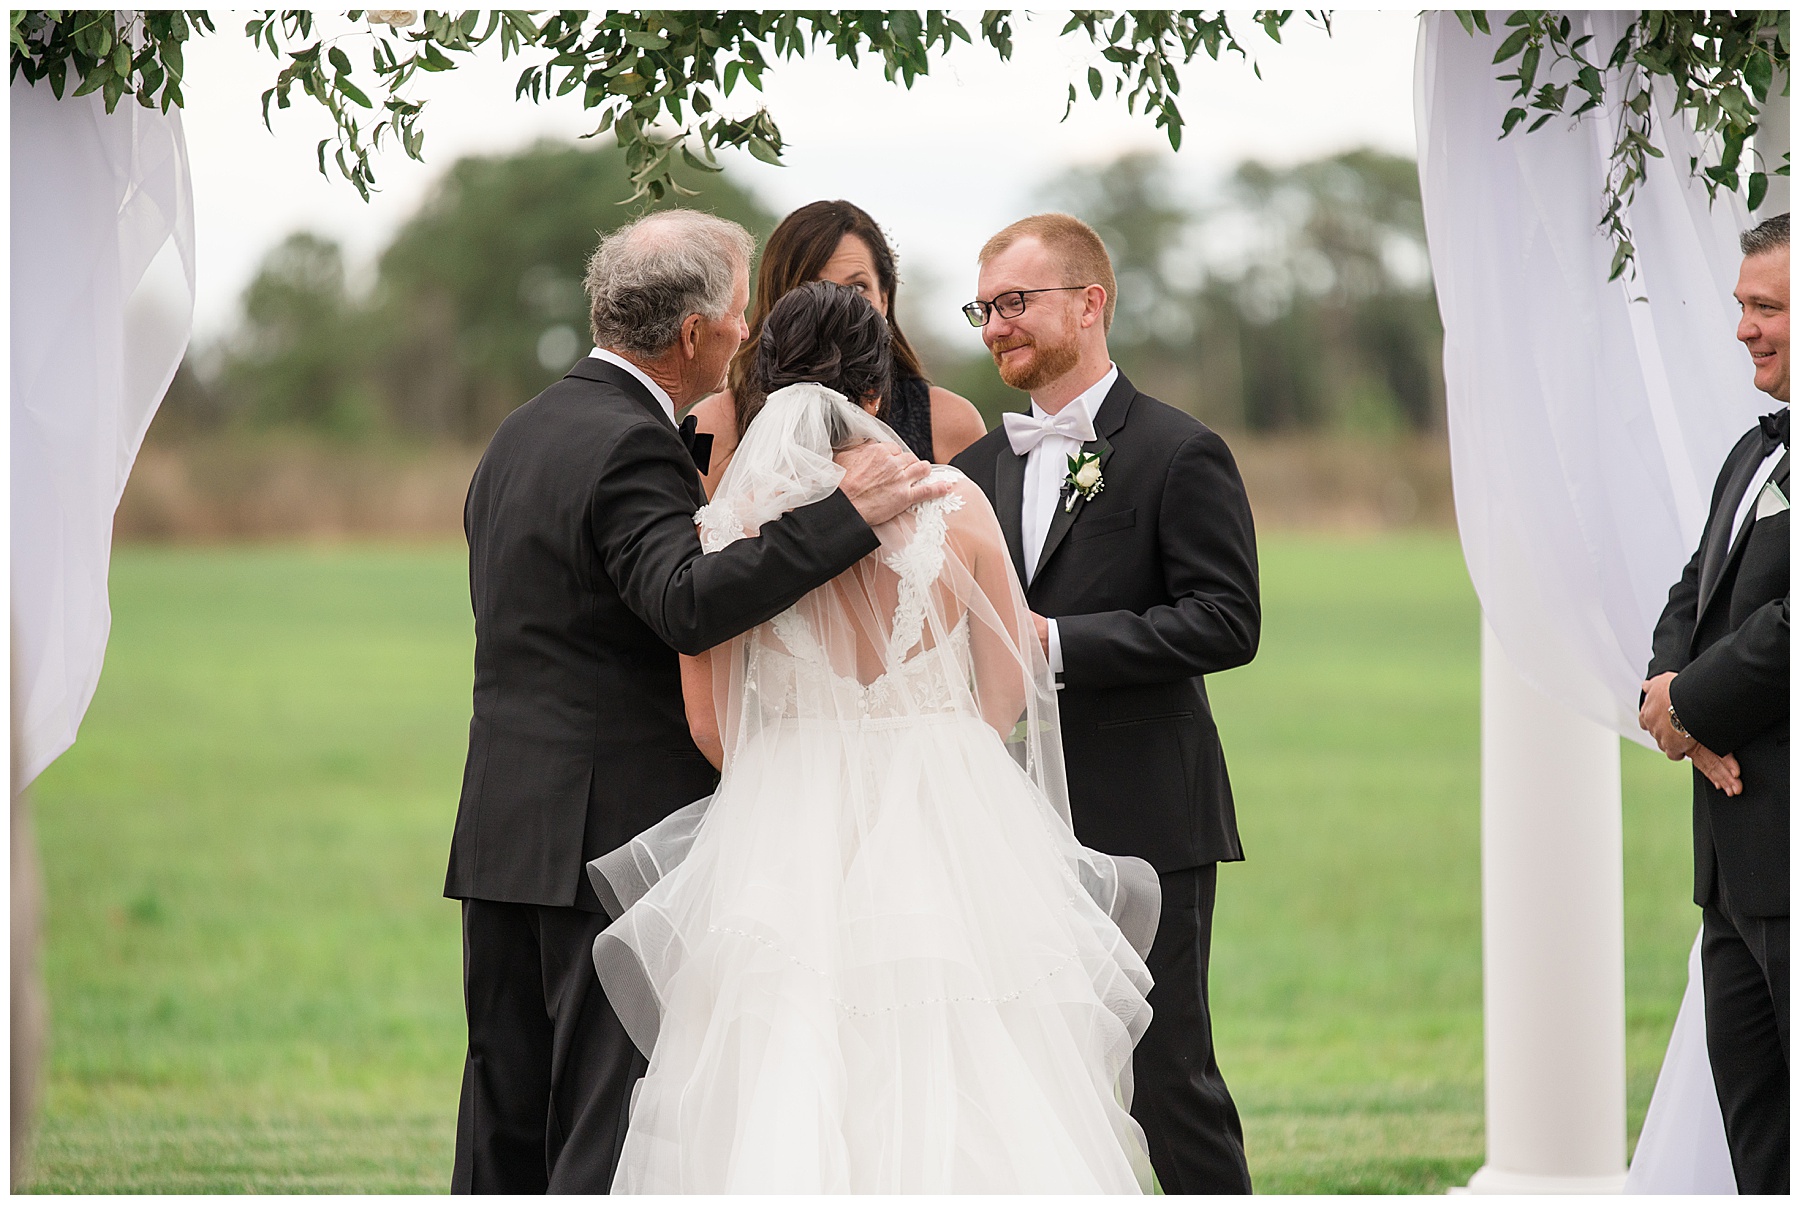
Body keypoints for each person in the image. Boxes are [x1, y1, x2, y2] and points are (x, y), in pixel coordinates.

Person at [587, 281, 1163, 1192]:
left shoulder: (724, 530)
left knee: (782, 1060)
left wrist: (798, 770)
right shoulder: (957, 505)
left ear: (765, 385)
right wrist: (928, 759)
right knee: (972, 1059)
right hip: (940, 819)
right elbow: (1008, 687)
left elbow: (710, 724)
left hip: (783, 837)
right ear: (876, 394)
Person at [443, 211, 949, 1193]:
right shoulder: (632, 443)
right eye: (739, 315)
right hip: (609, 831)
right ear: (693, 334)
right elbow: (683, 600)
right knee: (604, 1118)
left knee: (504, 1119)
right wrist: (843, 520)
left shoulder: (523, 429)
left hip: (504, 828)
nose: (746, 335)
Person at [951, 213, 1261, 1194]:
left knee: (1166, 1073)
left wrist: (1059, 642)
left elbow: (1226, 620)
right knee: (1022, 1074)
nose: (995, 325)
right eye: (984, 306)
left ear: (1090, 302)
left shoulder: (1179, 451)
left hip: (1144, 815)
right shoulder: (975, 473)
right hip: (999, 820)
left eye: (1015, 302)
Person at [1639, 210, 1789, 1195]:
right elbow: (1690, 593)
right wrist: (1672, 704)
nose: (1743, 327)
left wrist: (1694, 702)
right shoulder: (1752, 451)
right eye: (1741, 306)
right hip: (1733, 866)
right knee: (1759, 1137)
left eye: (1768, 306)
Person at [687, 199, 987, 495]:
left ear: (884, 298)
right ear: (777, 302)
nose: (838, 307)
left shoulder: (948, 420)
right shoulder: (717, 424)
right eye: (813, 289)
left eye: (856, 288)